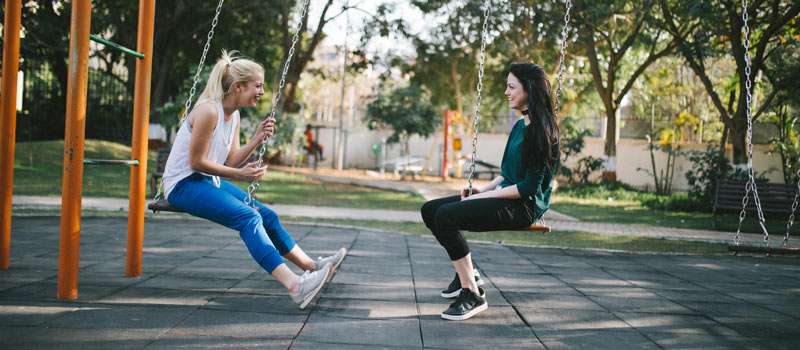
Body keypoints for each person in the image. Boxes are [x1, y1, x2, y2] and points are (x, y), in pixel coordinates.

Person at [161, 50, 346, 309]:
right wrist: (240, 175)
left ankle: (311, 266)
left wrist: (256, 139)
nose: (261, 91)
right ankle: (295, 286)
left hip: (205, 182)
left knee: (267, 215)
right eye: (257, 86)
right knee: (248, 217)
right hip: (183, 184)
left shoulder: (233, 115)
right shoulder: (208, 111)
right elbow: (196, 162)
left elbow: (231, 160)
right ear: (238, 87)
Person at [420, 63, 560, 321]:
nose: (506, 92)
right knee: (430, 210)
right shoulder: (520, 126)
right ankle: (468, 273)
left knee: (446, 217)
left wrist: (484, 196)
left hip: (525, 206)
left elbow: (528, 187)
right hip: (507, 194)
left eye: (511, 86)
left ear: (529, 89)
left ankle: (472, 293)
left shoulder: (541, 131)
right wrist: (481, 189)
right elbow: (507, 174)